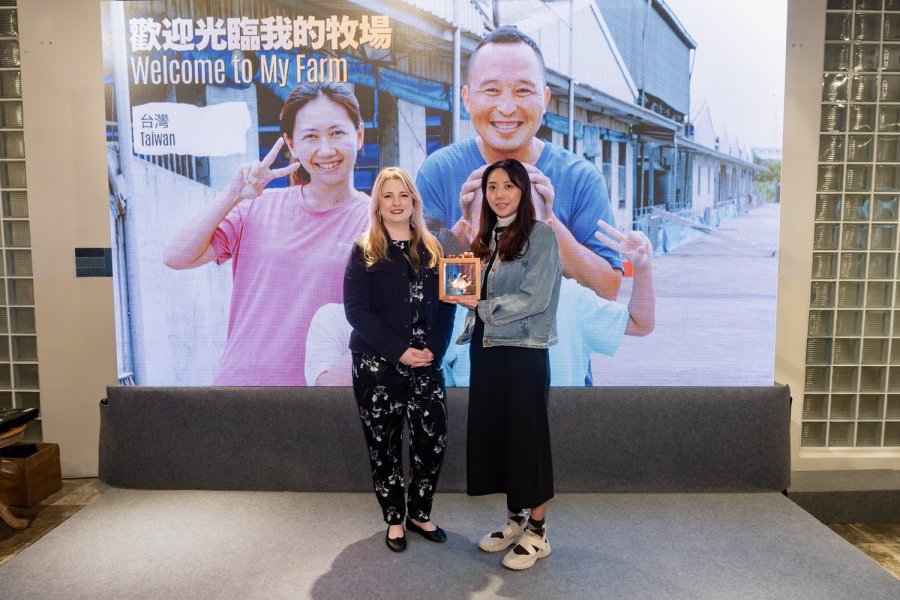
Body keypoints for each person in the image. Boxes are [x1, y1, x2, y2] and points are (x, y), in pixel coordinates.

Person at [163, 82, 370, 385]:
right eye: (310, 136)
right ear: (291, 144)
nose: (326, 150)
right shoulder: (257, 207)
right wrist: (232, 194)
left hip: (322, 400)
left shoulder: (378, 223)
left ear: (359, 135)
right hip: (240, 392)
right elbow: (176, 256)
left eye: (337, 133)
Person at [417, 25, 623, 303]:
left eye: (523, 90)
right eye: (492, 90)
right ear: (467, 99)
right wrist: (467, 229)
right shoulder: (439, 171)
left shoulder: (581, 179)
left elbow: (608, 289)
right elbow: (418, 287)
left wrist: (547, 224)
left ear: (545, 99)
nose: (506, 107)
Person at [451, 158, 563, 570]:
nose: (499, 194)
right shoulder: (485, 238)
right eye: (492, 187)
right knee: (499, 435)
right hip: (487, 348)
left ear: (523, 191)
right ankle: (516, 519)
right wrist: (460, 285)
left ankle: (538, 531)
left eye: (508, 186)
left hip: (523, 352)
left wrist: (480, 305)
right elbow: (469, 290)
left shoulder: (542, 236)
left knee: (528, 437)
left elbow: (534, 298)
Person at [343, 167, 457, 553]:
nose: (396, 203)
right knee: (384, 443)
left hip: (425, 363)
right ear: (378, 204)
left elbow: (447, 305)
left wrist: (435, 350)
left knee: (431, 441)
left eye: (403, 195)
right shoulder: (364, 250)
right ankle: (394, 518)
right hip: (376, 365)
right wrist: (398, 351)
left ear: (414, 202)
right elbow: (356, 311)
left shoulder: (434, 249)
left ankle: (419, 513)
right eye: (388, 196)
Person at [443, 222, 656, 387]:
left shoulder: (570, 296)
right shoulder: (457, 294)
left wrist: (643, 268)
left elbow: (640, 323)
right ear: (469, 229)